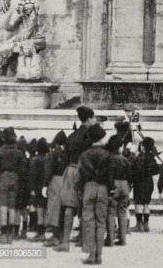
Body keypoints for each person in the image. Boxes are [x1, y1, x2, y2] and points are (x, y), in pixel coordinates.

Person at [54, 105, 95, 253]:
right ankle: (85, 243)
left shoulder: (72, 136)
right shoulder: (92, 135)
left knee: (69, 207)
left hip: (71, 169)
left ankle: (65, 241)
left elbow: (65, 156)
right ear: (90, 118)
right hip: (86, 171)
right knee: (86, 208)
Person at [77, 123, 110, 265]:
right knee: (101, 222)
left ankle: (91, 254)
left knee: (89, 222)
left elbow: (80, 175)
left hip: (88, 187)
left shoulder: (84, 155)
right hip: (103, 189)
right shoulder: (107, 155)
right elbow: (111, 175)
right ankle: (99, 255)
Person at [0, 127, 24, 245]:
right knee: (12, 207)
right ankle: (10, 235)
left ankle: (3, 235)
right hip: (15, 178)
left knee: (3, 207)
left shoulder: (0, 151)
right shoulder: (19, 152)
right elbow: (22, 168)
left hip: (3, 178)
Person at [105, 135, 131, 247]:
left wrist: (110, 188)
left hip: (114, 184)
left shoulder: (109, 158)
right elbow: (130, 175)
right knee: (122, 212)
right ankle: (123, 238)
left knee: (111, 212)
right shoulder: (125, 160)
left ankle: (110, 239)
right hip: (124, 184)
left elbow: (109, 175)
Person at [43, 130, 67, 247]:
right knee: (62, 208)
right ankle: (62, 235)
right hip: (66, 180)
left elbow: (48, 170)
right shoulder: (67, 152)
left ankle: (55, 236)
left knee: (53, 208)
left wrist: (45, 184)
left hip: (55, 180)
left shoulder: (53, 153)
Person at [132, 136, 159, 233]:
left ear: (143, 146)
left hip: (139, 182)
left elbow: (135, 169)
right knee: (146, 204)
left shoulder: (140, 157)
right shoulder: (151, 157)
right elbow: (156, 169)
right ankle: (146, 224)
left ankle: (139, 224)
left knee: (138, 204)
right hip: (148, 181)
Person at [28, 138, 48, 242]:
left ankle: (40, 233)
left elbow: (32, 176)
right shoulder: (48, 158)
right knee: (45, 209)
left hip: (37, 187)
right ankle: (43, 232)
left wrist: (31, 188)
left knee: (39, 210)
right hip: (47, 187)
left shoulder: (35, 160)